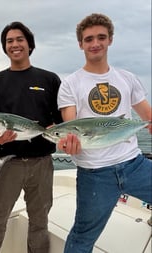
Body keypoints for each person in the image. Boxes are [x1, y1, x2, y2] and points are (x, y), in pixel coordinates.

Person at [57, 13, 152, 253]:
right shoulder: (70, 84)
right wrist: (70, 143)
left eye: (101, 37)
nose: (95, 43)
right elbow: (71, 126)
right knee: (82, 238)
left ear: (110, 40)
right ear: (81, 44)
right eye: (89, 39)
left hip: (135, 165)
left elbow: (148, 116)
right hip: (94, 174)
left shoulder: (127, 78)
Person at [0, 21, 62, 253]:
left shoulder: (50, 80)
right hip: (8, 163)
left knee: (40, 219)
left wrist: (59, 127)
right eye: (9, 41)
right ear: (5, 47)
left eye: (19, 39)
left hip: (42, 163)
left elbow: (61, 119)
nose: (14, 44)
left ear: (30, 44)